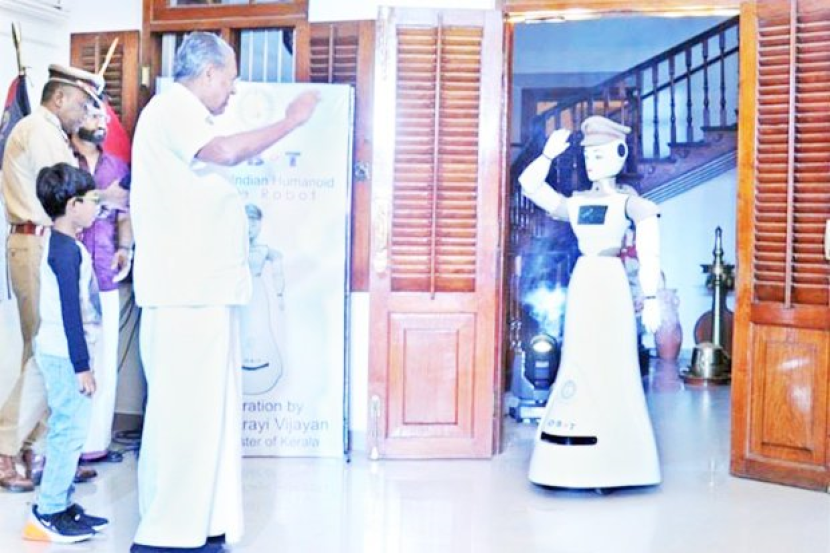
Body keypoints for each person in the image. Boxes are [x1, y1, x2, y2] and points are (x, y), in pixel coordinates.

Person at [129, 32, 319, 553]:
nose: (232, 91)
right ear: (208, 72)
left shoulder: (189, 115)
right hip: (183, 294)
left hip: (204, 292)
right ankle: (167, 533)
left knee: (209, 417)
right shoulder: (173, 108)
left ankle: (203, 524)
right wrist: (291, 121)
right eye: (229, 80)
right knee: (183, 418)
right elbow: (228, 152)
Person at [0, 64, 127, 492]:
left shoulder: (51, 131)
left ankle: (33, 452)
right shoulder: (39, 129)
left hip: (44, 243)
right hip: (36, 243)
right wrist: (106, 196)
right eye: (82, 104)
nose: (88, 113)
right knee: (45, 354)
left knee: (45, 355)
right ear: (59, 98)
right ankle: (5, 449)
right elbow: (61, 190)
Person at [518, 115, 663, 489]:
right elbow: (529, 185)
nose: (591, 162)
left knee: (614, 362)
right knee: (578, 356)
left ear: (619, 153)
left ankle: (621, 455)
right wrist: (547, 155)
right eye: (587, 156)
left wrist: (651, 298)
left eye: (599, 154)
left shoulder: (630, 204)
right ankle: (573, 435)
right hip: (584, 281)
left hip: (611, 282)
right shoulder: (578, 203)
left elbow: (650, 252)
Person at [21, 163, 109, 543]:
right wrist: (81, 366)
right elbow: (71, 312)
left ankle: (61, 501)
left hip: (63, 353)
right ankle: (49, 511)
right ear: (73, 205)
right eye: (92, 201)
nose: (96, 208)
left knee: (70, 430)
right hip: (64, 356)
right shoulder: (65, 252)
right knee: (68, 432)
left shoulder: (65, 246)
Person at [71, 105, 132, 464]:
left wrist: (125, 248)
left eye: (104, 118)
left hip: (106, 271)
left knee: (106, 360)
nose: (101, 123)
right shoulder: (63, 159)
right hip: (68, 272)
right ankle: (65, 446)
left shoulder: (117, 166)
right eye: (93, 116)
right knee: (71, 358)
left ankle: (96, 444)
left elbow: (124, 215)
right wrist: (103, 196)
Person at [241, 203, 285, 395]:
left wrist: (280, 293)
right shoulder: (233, 249)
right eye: (247, 223)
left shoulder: (264, 250)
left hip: (258, 293)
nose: (250, 228)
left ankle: (264, 367)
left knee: (260, 327)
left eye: (254, 223)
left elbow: (278, 266)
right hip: (239, 292)